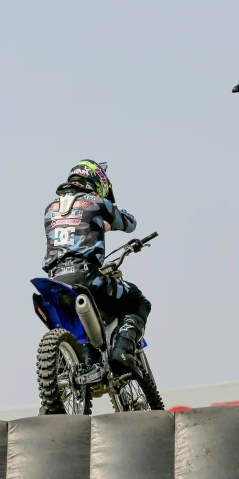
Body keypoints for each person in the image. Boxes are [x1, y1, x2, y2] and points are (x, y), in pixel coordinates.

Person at [42, 159, 151, 373]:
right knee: (139, 301)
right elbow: (130, 223)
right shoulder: (98, 203)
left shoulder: (50, 208)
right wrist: (111, 221)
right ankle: (121, 351)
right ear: (97, 181)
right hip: (88, 278)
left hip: (54, 282)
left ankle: (87, 359)